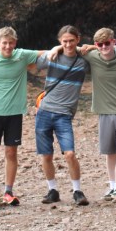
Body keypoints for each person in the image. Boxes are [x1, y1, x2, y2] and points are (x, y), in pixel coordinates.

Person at [0, 27, 45, 208]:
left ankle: (8, 191)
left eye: (11, 43)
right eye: (4, 43)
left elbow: (47, 52)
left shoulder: (22, 55)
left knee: (11, 152)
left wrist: (68, 49)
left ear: (15, 43)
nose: (7, 46)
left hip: (14, 114)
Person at [35, 26, 91, 206]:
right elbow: (30, 57)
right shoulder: (52, 56)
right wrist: (53, 49)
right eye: (64, 41)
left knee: (69, 153)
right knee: (46, 155)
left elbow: (106, 49)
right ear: (60, 41)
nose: (68, 44)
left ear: (78, 39)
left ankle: (77, 190)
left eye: (71, 41)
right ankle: (52, 190)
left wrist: (89, 47)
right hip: (44, 111)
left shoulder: (84, 59)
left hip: (64, 114)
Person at [82, 27, 116, 202]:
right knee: (109, 151)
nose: (104, 47)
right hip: (104, 111)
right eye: (100, 44)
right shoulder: (92, 56)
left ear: (114, 42)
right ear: (96, 45)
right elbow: (69, 47)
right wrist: (56, 49)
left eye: (107, 43)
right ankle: (112, 186)